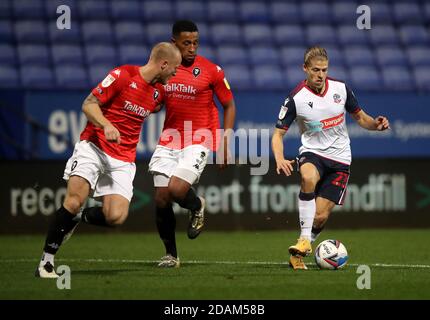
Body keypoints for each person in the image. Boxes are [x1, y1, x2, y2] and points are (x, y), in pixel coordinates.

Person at [35, 42, 182, 278]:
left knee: (116, 217)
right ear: (163, 64)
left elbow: (155, 105)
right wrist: (106, 124)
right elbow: (89, 104)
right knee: (73, 200)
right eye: (174, 68)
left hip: (123, 159)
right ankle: (47, 263)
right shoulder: (123, 75)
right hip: (93, 147)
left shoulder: (159, 92)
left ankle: (76, 218)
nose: (175, 73)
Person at [271, 46, 390, 270]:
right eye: (315, 70)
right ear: (304, 69)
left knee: (320, 217)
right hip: (312, 153)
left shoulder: (341, 89)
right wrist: (279, 158)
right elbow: (278, 134)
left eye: (324, 70)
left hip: (340, 159)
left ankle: (301, 250)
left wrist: (376, 125)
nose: (320, 75)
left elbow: (361, 118)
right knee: (307, 177)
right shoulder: (296, 98)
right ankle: (304, 240)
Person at [149, 20, 236, 268]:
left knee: (177, 190)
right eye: (186, 43)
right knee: (161, 198)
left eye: (195, 43)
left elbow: (229, 105)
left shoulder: (212, 71)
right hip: (170, 138)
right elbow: (156, 103)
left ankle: (197, 205)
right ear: (174, 42)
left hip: (200, 137)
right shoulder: (166, 70)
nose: (192, 48)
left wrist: (224, 143)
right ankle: (171, 255)